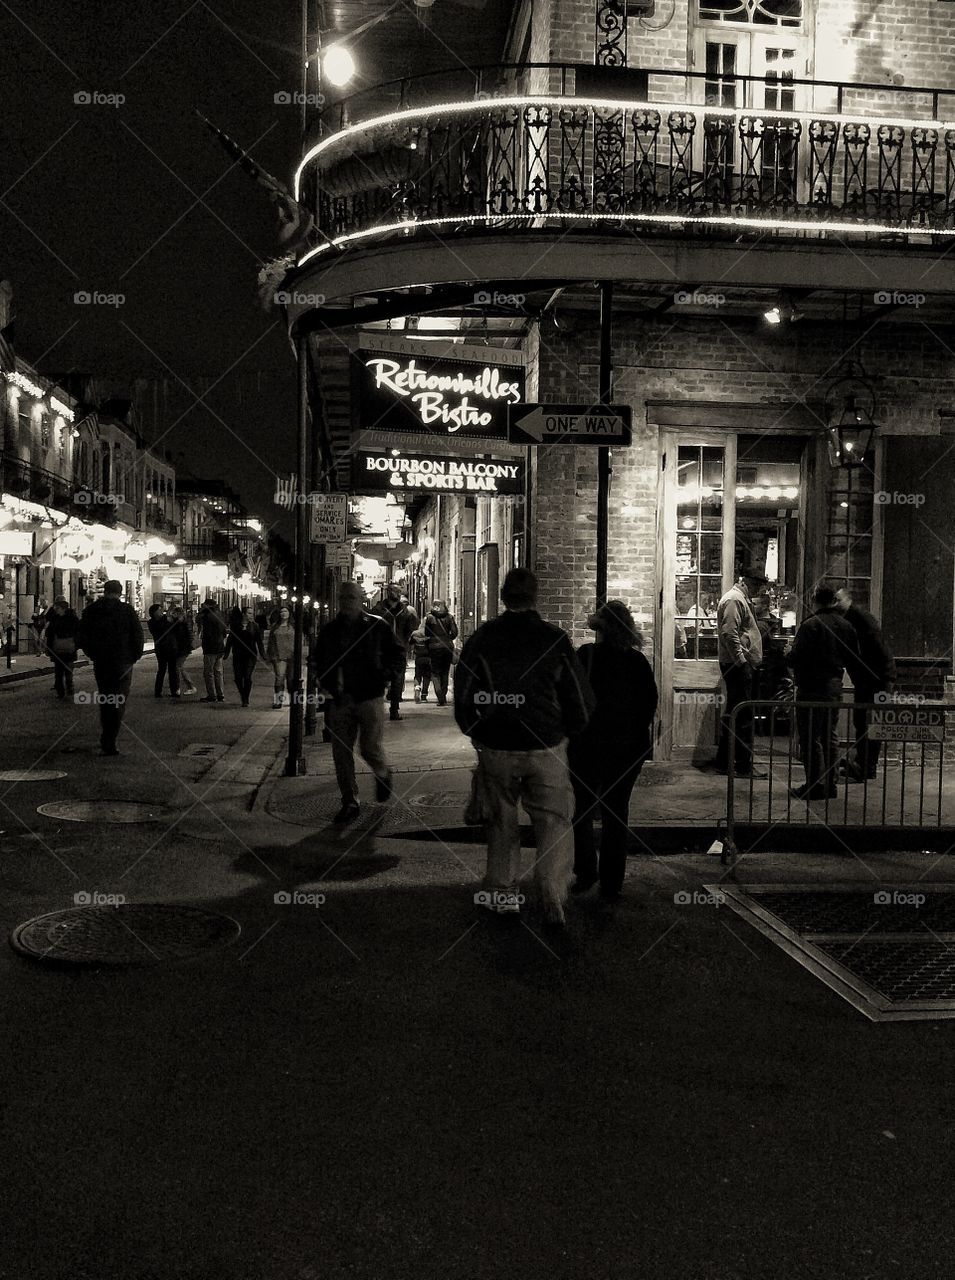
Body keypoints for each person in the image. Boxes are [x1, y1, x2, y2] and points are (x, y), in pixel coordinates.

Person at [453, 568, 594, 927]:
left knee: (501, 820)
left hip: (497, 743)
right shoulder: (554, 639)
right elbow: (578, 696)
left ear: (503, 597)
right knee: (555, 820)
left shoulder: (483, 638)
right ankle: (552, 890)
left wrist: (476, 731)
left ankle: (502, 894)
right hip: (545, 742)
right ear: (535, 597)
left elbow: (465, 692)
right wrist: (569, 731)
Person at [568, 601, 659, 902]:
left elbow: (572, 697)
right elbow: (649, 705)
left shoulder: (586, 656)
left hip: (588, 745)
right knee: (616, 812)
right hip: (627, 748)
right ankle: (612, 880)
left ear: (600, 629)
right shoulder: (637, 662)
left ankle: (585, 871)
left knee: (582, 810)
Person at [311, 580, 405, 824]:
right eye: (343, 599)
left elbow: (398, 653)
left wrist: (385, 676)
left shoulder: (377, 626)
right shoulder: (330, 631)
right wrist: (324, 681)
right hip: (341, 698)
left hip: (369, 696)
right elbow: (319, 659)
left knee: (370, 747)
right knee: (341, 752)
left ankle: (382, 773)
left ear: (360, 600)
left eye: (352, 598)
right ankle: (350, 801)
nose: (347, 603)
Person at [787, 583, 860, 801]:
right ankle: (831, 784)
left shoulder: (810, 625)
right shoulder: (846, 626)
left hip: (811, 687)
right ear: (833, 600)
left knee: (811, 738)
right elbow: (853, 658)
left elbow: (796, 658)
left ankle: (815, 785)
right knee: (830, 736)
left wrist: (787, 653)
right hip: (834, 685)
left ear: (815, 600)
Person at [835, 586, 897, 781]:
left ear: (847, 599)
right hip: (872, 680)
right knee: (863, 722)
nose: (835, 604)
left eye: (838, 600)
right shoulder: (853, 618)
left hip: (876, 681)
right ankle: (864, 764)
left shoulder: (860, 620)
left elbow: (878, 650)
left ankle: (866, 766)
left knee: (869, 723)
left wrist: (886, 681)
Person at [77, 580, 144, 756]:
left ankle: (107, 733)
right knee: (118, 699)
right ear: (120, 593)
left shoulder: (91, 610)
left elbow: (82, 636)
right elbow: (137, 635)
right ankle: (110, 737)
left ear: (105, 592)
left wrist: (93, 654)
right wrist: (134, 657)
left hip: (102, 661)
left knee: (106, 697)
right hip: (122, 661)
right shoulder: (127, 611)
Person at [714, 574, 766, 778]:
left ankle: (724, 761)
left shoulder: (740, 599)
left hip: (739, 665)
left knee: (736, 713)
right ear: (743, 581)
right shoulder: (734, 599)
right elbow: (729, 633)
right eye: (756, 585)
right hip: (737, 666)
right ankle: (743, 765)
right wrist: (742, 662)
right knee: (743, 717)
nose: (758, 590)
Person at [373, 584, 418, 720]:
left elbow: (411, 629)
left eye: (399, 591)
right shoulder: (378, 610)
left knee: (398, 679)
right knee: (379, 679)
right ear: (388, 592)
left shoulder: (405, 612)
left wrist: (406, 643)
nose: (397, 593)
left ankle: (394, 709)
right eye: (394, 591)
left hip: (398, 650)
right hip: (381, 649)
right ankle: (377, 708)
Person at [224, 606, 266, 707]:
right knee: (238, 678)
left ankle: (245, 698)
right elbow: (230, 640)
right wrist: (226, 653)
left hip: (250, 655)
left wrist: (263, 654)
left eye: (252, 613)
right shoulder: (235, 625)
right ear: (244, 614)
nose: (252, 615)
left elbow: (259, 642)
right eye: (249, 613)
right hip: (238, 655)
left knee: (247, 677)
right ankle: (243, 694)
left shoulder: (255, 626)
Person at [44, 597, 82, 700]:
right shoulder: (70, 618)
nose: (56, 609)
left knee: (66, 670)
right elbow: (49, 633)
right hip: (63, 649)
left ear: (62, 608)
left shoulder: (62, 619)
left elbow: (49, 633)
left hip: (65, 649)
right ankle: (62, 690)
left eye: (57, 608)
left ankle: (67, 688)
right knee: (60, 671)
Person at [424, 599, 458, 707]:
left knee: (435, 673)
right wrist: (447, 639)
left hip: (434, 647)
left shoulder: (429, 617)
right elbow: (454, 632)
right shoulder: (449, 617)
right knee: (445, 672)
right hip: (447, 647)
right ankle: (443, 694)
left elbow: (427, 633)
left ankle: (440, 696)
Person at [197, 598, 228, 703]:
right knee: (218, 672)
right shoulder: (219, 615)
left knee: (208, 672)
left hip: (210, 648)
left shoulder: (207, 616)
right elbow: (224, 631)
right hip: (219, 646)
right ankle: (221, 694)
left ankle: (212, 695)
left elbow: (206, 631)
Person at [147, 603, 180, 698]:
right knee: (162, 670)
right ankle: (158, 691)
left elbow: (175, 628)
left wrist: (175, 619)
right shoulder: (152, 622)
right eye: (159, 610)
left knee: (172, 670)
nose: (161, 612)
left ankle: (174, 690)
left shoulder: (166, 619)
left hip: (171, 647)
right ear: (154, 612)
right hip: (161, 648)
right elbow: (161, 629)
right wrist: (166, 618)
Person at [266, 604, 295, 709]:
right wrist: (270, 655)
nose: (283, 613)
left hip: (292, 656)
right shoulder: (275, 627)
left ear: (289, 613)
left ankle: (293, 700)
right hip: (278, 656)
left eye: (286, 611)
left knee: (291, 679)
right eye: (282, 612)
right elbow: (271, 642)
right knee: (280, 678)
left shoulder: (293, 626)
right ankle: (278, 701)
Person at [169, 604, 197, 695]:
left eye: (174, 613)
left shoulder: (181, 624)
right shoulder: (181, 623)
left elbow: (183, 637)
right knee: (178, 667)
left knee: (179, 667)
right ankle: (180, 687)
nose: (172, 615)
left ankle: (190, 686)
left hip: (182, 649)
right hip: (182, 648)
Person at [410, 626, 431, 703]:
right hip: (428, 658)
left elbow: (410, 644)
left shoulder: (415, 633)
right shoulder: (431, 634)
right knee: (427, 676)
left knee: (418, 675)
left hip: (418, 658)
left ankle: (417, 689)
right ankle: (424, 695)